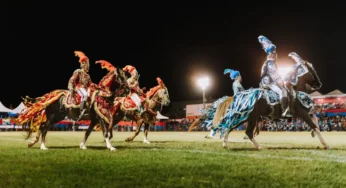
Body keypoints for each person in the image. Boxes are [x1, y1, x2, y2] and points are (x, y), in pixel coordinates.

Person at [258, 35, 291, 119]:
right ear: (272, 53)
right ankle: (284, 111)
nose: (276, 54)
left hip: (268, 80)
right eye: (275, 52)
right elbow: (273, 74)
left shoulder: (269, 61)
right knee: (283, 91)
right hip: (268, 82)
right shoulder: (271, 62)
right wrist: (281, 80)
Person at [68, 51, 94, 120]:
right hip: (79, 87)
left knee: (91, 95)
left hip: (86, 88)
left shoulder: (88, 76)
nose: (86, 66)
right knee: (85, 94)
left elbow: (91, 84)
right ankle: (81, 109)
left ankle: (88, 110)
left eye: (87, 64)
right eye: (84, 64)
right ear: (81, 65)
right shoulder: (78, 71)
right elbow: (72, 80)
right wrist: (71, 88)